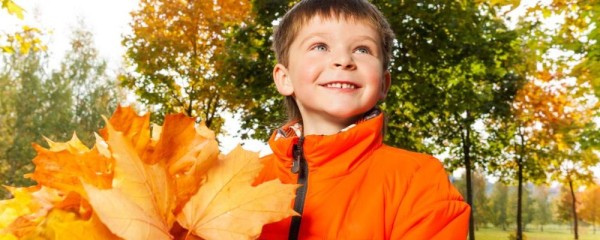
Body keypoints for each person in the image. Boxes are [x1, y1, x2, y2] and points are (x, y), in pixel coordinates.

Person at [253, 0, 470, 239]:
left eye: (362, 49)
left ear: (383, 84)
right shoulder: (246, 181)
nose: (344, 60)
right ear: (284, 78)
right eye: (320, 46)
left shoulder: (417, 180)